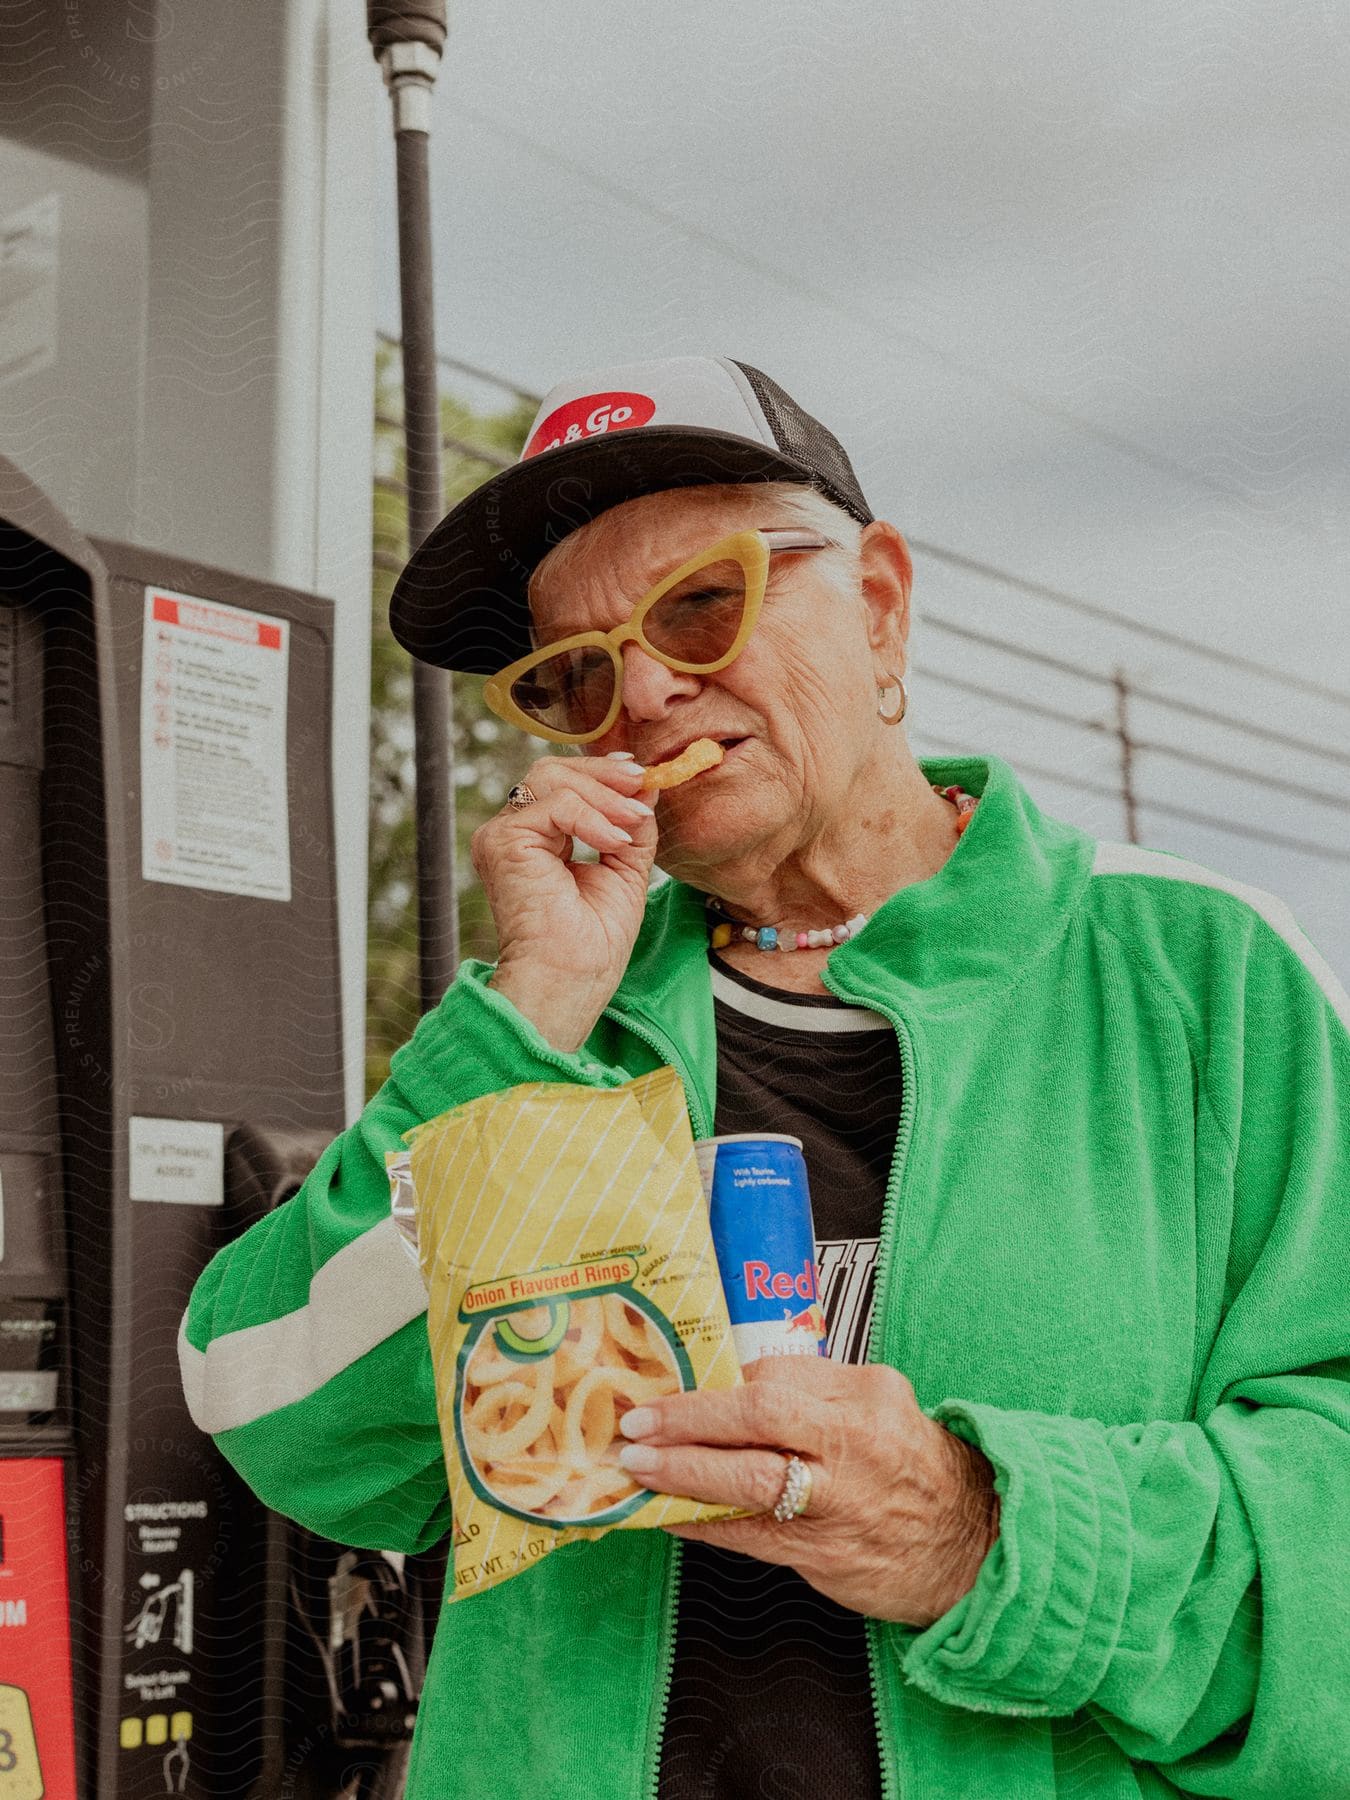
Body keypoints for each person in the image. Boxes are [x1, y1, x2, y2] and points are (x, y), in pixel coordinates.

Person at [180, 355, 1350, 1799]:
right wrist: (529, 1009)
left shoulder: (1198, 972)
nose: (648, 693)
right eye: (574, 674)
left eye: (700, 605)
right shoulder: (557, 1027)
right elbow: (278, 1414)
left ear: (875, 606)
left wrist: (988, 1536)